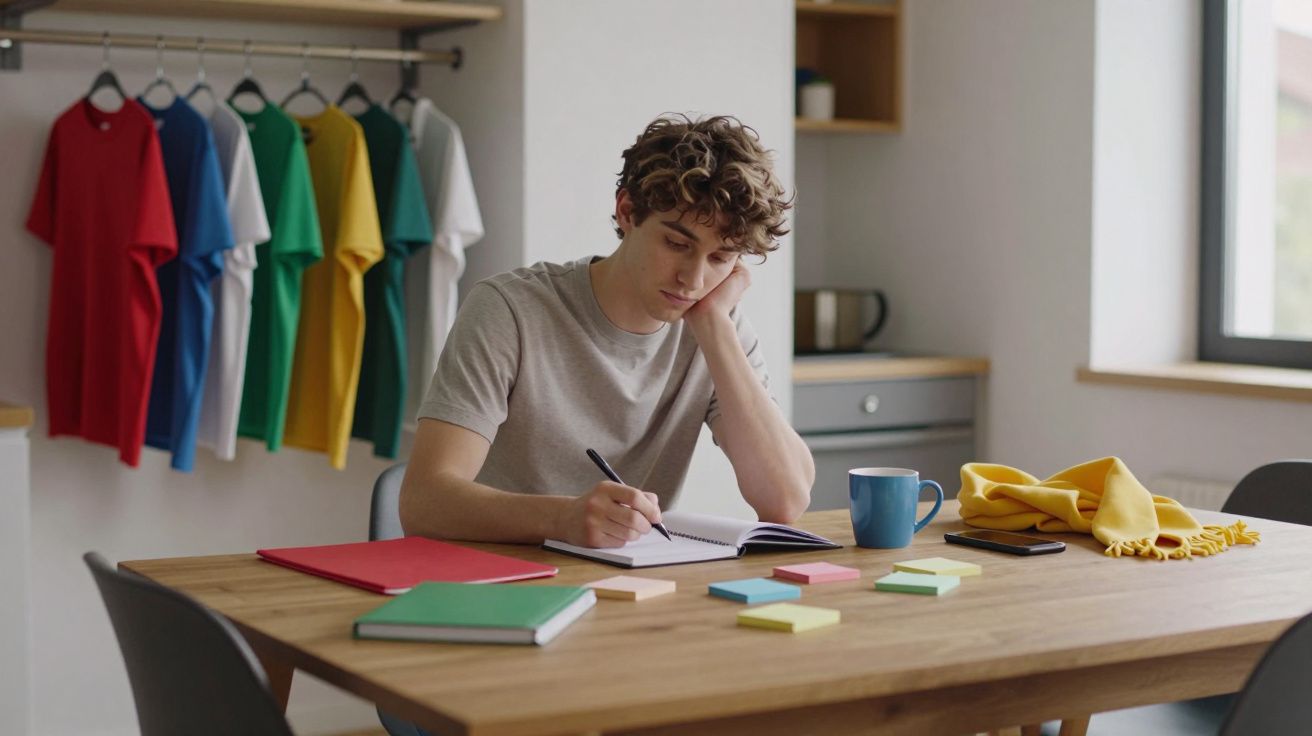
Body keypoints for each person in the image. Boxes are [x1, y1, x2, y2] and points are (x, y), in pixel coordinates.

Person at [399, 114, 815, 549]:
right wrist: (563, 517)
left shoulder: (716, 325)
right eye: (677, 244)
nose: (692, 281)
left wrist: (715, 329)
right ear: (627, 212)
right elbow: (423, 502)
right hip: (496, 582)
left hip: (626, 589)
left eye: (721, 258)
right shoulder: (510, 310)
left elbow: (784, 501)